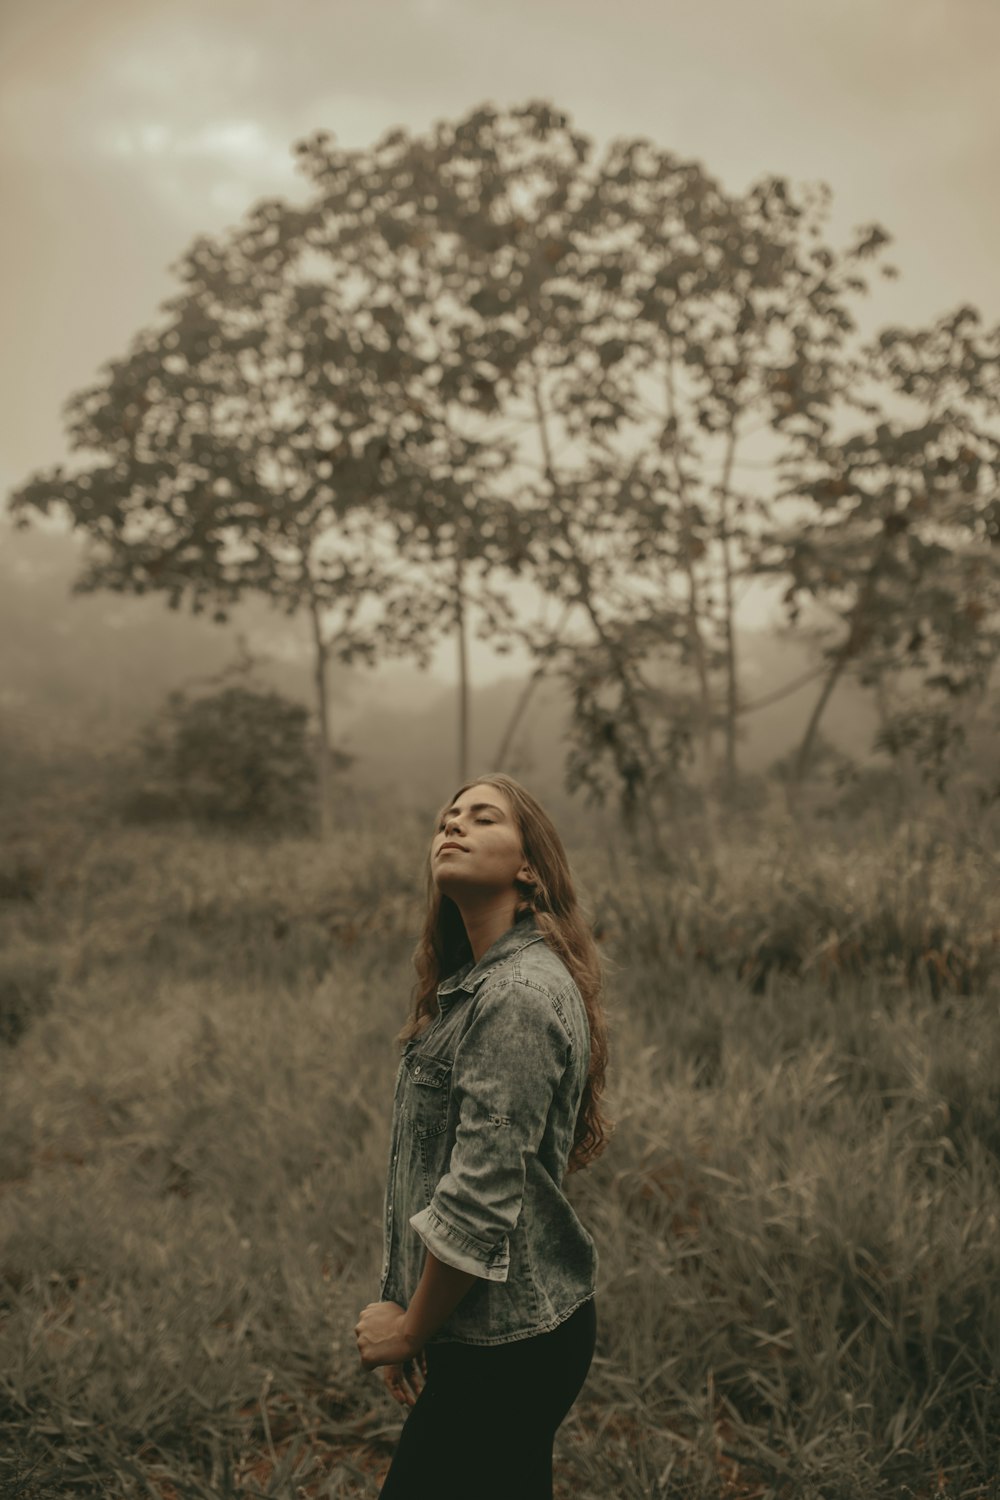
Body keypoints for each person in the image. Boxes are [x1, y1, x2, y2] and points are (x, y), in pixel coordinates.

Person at [354, 772, 611, 1500]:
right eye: (447, 817)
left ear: (529, 867)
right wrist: (416, 1312)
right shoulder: (481, 982)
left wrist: (409, 1330)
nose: (453, 826)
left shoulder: (516, 996)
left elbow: (480, 1200)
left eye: (482, 817)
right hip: (501, 1330)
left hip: (509, 1346)